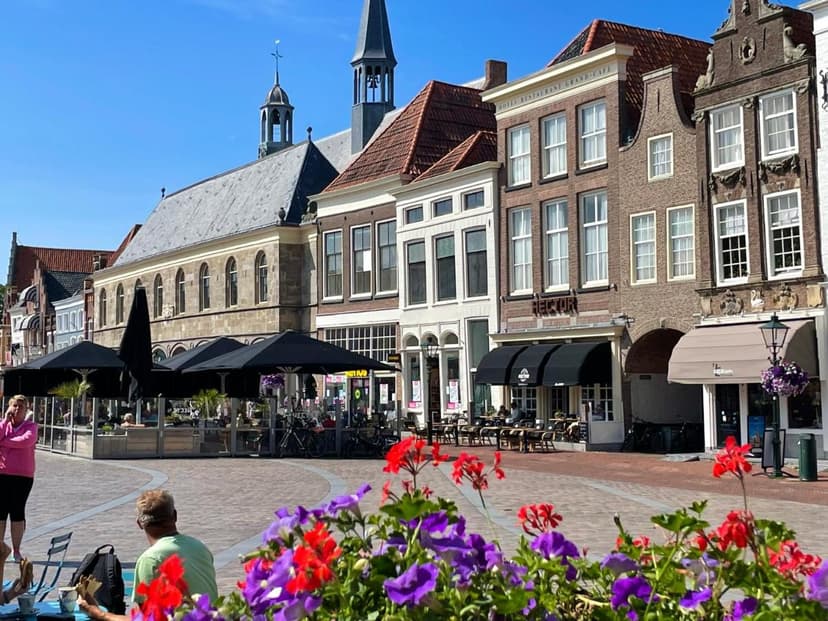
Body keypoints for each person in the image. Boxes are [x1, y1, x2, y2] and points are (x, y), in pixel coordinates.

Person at [79, 490, 218, 621]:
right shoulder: (199, 547)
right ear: (175, 515)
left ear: (140, 523)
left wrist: (99, 613)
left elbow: (146, 618)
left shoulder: (150, 559)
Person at [0, 395, 37, 562]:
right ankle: (0, 548)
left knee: (17, 511)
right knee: (0, 512)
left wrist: (4, 442)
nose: (17, 409)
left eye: (21, 406)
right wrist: (5, 421)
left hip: (22, 476)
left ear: (26, 409)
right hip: (2, 474)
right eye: (14, 406)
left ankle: (16, 550)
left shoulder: (31, 426)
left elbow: (25, 441)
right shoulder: (4, 425)